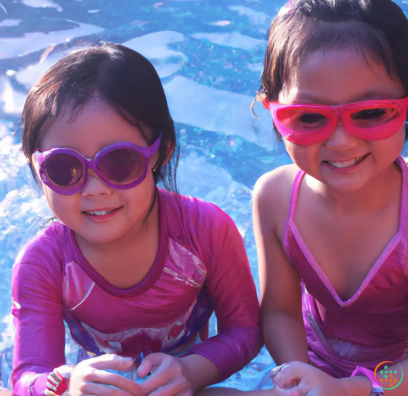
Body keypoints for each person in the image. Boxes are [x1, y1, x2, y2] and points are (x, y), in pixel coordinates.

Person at [11, 43, 262, 396]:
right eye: (64, 169)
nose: (95, 190)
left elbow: (246, 330)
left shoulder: (204, 231)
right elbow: (28, 375)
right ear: (38, 168)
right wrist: (66, 385)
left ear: (160, 152)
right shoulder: (44, 264)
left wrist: (191, 372)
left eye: (119, 162)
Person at [200, 0, 408, 395]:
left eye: (370, 112)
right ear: (272, 110)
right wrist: (297, 379)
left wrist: (357, 390)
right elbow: (279, 311)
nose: (342, 141)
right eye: (309, 117)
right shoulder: (276, 198)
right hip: (313, 364)